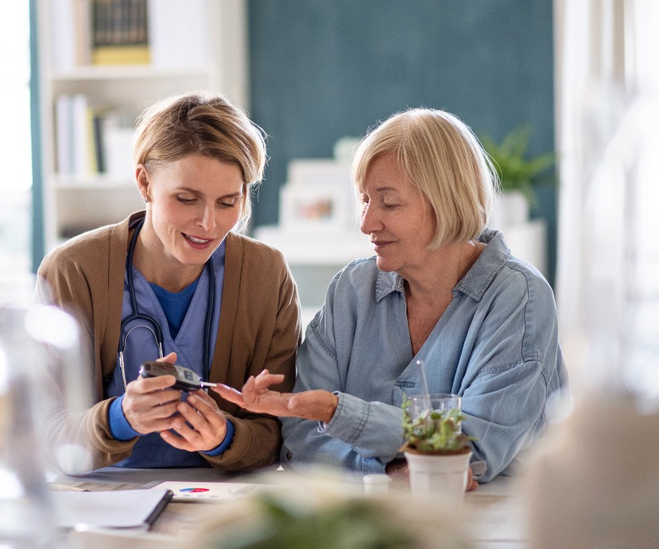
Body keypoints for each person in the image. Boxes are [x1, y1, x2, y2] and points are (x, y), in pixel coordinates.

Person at [215, 108, 567, 486]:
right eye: (364, 200)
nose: (366, 222)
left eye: (389, 203)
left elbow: (473, 451)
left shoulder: (520, 297)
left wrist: (338, 413)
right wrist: (388, 471)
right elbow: (300, 439)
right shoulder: (351, 289)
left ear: (447, 200)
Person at [37, 91, 300, 472]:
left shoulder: (265, 274)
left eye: (228, 203)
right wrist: (120, 418)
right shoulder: (73, 271)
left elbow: (284, 434)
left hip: (221, 502)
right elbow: (40, 434)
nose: (209, 224)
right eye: (186, 199)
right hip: (102, 497)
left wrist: (225, 436)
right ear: (144, 183)